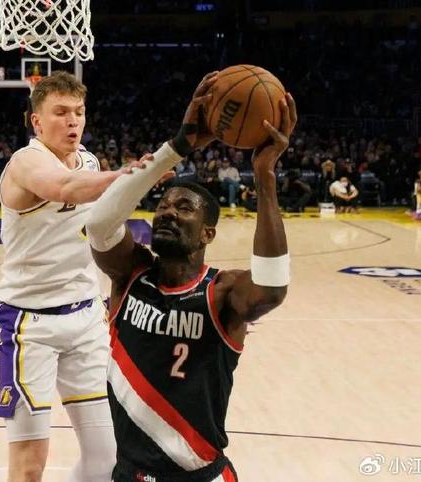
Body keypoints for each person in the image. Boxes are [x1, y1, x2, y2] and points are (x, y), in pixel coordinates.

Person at [86, 75, 294, 481]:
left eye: (184, 208)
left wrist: (264, 177)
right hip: (131, 474)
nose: (168, 212)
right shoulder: (130, 274)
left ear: (207, 234)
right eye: (163, 206)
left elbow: (271, 288)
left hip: (200, 473)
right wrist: (176, 147)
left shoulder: (222, 292)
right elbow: (98, 224)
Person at [0, 71, 152, 482]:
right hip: (30, 324)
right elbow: (63, 187)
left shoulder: (89, 162)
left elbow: (98, 217)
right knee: (29, 466)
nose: (73, 121)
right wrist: (128, 176)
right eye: (61, 112)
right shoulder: (25, 162)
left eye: (79, 112)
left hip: (85, 320)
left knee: (109, 458)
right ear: (37, 121)